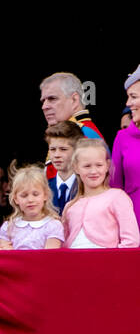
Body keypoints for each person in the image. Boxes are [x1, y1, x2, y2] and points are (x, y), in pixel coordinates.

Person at [63, 138, 140, 249]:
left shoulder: (117, 197)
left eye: (99, 165)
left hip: (107, 263)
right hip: (74, 264)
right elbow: (63, 243)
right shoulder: (70, 206)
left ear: (107, 166)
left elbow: (131, 241)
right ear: (75, 167)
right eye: (87, 166)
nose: (93, 171)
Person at [41, 72, 104, 180]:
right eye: (43, 101)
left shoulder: (85, 134)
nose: (44, 106)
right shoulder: (71, 131)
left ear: (74, 100)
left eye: (52, 99)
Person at [0, 167, 64, 250]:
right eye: (24, 196)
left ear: (45, 195)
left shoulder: (53, 226)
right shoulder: (8, 227)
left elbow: (49, 257)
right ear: (16, 199)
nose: (30, 200)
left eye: (35, 194)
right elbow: (6, 257)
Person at [111, 64, 140, 222]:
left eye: (134, 97)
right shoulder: (122, 138)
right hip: (134, 228)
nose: (128, 103)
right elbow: (115, 188)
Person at [44, 121, 84, 216]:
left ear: (77, 150)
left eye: (63, 149)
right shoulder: (44, 187)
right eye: (53, 149)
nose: (56, 155)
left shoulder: (86, 187)